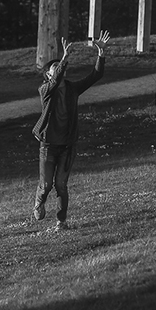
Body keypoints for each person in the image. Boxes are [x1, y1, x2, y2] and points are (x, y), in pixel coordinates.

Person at [31, 30, 110, 230]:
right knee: (46, 185)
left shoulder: (73, 89)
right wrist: (64, 58)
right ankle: (39, 201)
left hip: (67, 145)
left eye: (60, 67)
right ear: (48, 75)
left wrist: (101, 53)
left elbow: (96, 75)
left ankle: (61, 222)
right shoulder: (45, 90)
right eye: (54, 68)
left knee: (61, 185)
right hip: (48, 145)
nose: (58, 69)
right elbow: (55, 80)